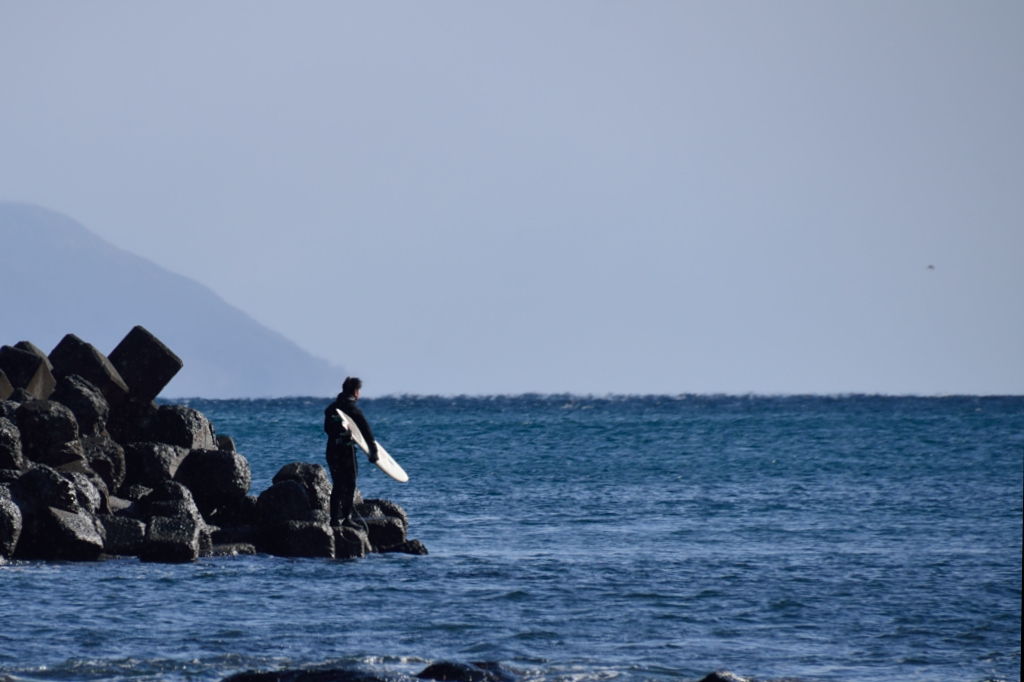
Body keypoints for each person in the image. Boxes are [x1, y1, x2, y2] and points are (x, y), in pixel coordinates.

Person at [323, 376, 378, 526]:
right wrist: (374, 452)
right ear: (355, 392)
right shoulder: (353, 409)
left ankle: (334, 520)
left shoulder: (331, 408)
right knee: (350, 483)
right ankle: (347, 518)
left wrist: (338, 428)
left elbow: (327, 429)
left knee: (338, 485)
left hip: (332, 451)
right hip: (346, 452)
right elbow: (366, 432)